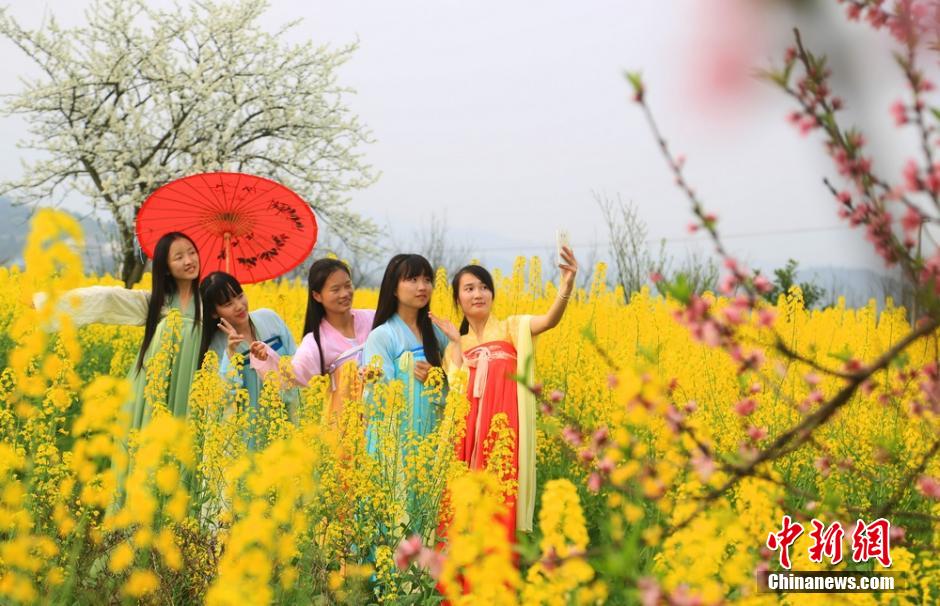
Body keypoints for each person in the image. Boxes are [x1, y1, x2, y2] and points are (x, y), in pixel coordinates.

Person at [433, 246, 578, 538]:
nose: (478, 294)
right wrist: (457, 346)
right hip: (467, 439)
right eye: (470, 288)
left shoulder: (511, 328)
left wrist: (566, 286)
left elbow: (549, 320)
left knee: (500, 503)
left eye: (484, 287)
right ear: (458, 298)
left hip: (504, 436)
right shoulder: (454, 345)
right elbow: (457, 393)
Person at [250, 259, 374, 421]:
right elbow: (293, 375)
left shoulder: (373, 318)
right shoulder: (316, 341)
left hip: (385, 417)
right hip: (347, 423)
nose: (345, 293)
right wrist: (267, 357)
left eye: (348, 285)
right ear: (317, 295)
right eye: (335, 289)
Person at [362, 254, 450, 446]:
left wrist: (437, 377)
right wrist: (372, 380)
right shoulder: (382, 335)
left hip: (432, 433)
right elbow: (379, 398)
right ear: (393, 288)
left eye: (427, 280)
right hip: (395, 441)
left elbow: (459, 381)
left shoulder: (438, 332)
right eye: (413, 279)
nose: (422, 287)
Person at [198, 271, 297, 439]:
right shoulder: (215, 346)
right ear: (214, 313)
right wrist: (230, 354)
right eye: (228, 303)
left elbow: (296, 362)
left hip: (288, 417)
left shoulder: (270, 319)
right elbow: (221, 399)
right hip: (248, 434)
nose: (239, 306)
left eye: (240, 295)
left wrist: (270, 358)